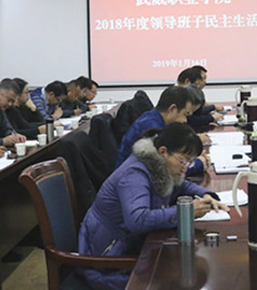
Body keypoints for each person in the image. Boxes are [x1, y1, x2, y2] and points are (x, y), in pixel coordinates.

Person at [78, 123, 227, 290]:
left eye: (190, 163)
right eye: (183, 161)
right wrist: (186, 212)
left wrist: (205, 194)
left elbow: (181, 185)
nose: (185, 168)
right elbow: (138, 220)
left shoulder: (159, 165)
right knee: (178, 276)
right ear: (163, 151)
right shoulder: (134, 174)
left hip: (134, 243)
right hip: (109, 253)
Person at [115, 86, 197, 169]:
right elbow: (167, 168)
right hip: (131, 173)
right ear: (172, 109)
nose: (185, 120)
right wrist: (199, 163)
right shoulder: (151, 128)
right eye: (185, 114)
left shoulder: (153, 117)